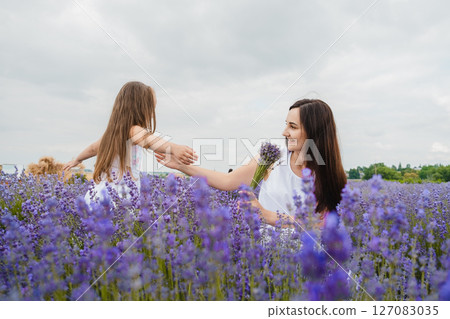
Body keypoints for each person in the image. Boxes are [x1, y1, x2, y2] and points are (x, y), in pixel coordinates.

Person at [155, 99, 347, 227]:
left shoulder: (330, 175)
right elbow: (229, 181)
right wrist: (182, 166)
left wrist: (267, 215)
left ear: (314, 132)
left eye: (293, 127)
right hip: (261, 253)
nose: (284, 132)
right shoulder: (273, 155)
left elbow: (321, 224)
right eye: (285, 124)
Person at [63, 81, 198, 204]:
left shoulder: (112, 133)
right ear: (140, 109)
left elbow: (93, 149)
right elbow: (149, 140)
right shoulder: (133, 130)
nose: (152, 114)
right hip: (119, 196)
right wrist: (173, 148)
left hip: (98, 194)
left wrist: (77, 160)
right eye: (151, 109)